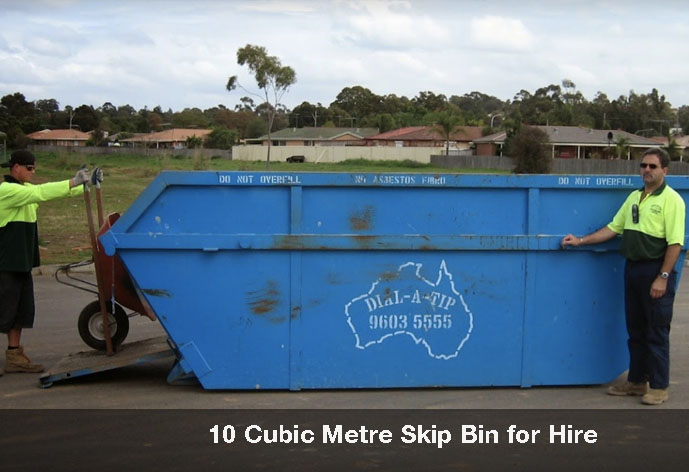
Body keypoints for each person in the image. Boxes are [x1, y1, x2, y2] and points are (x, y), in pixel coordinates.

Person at [561, 147, 685, 405]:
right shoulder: (634, 198)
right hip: (633, 270)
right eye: (644, 166)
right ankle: (637, 382)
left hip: (655, 271)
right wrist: (581, 241)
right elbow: (613, 228)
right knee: (636, 330)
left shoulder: (672, 200)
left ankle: (659, 387)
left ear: (665, 170)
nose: (647, 171)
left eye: (652, 166)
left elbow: (675, 243)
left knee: (656, 331)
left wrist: (662, 276)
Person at [0, 150, 90, 375]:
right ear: (16, 167)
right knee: (2, 311)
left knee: (19, 312)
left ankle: (14, 356)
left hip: (20, 263)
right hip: (5, 263)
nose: (33, 172)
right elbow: (42, 192)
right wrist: (73, 181)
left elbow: (50, 192)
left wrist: (84, 185)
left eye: (34, 168)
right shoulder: (7, 190)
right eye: (30, 168)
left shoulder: (24, 189)